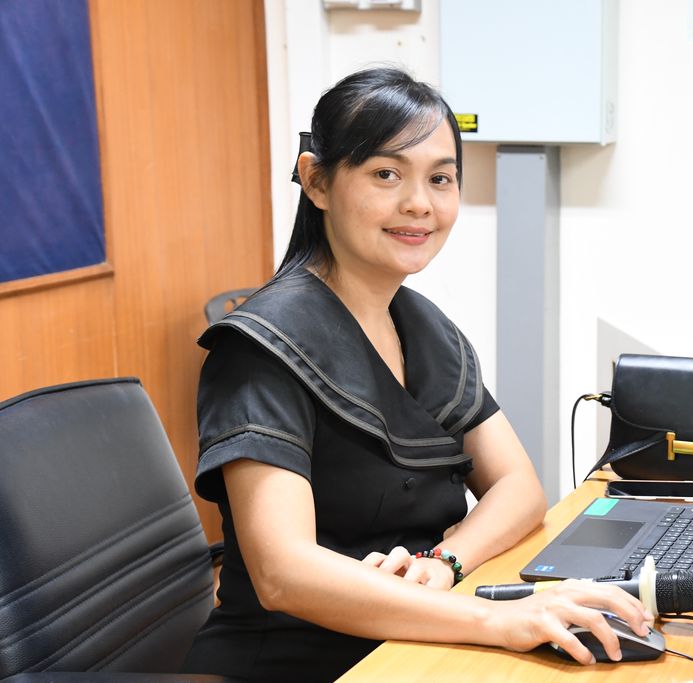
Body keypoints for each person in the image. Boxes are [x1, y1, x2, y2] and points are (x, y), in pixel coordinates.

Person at [182, 67, 651, 683]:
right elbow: (283, 574)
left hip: (416, 634)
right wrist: (498, 621)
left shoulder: (419, 322)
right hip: (303, 659)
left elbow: (518, 487)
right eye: (386, 174)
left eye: (440, 178)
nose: (420, 204)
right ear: (316, 181)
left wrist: (445, 561)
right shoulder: (260, 348)